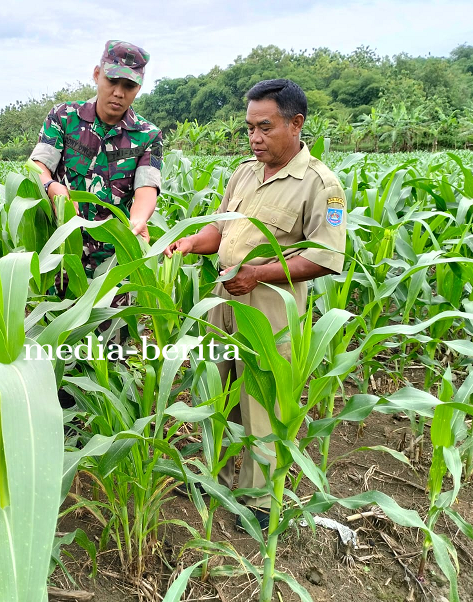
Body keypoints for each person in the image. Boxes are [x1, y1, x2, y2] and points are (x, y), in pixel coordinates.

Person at [164, 79, 347, 531]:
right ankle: (216, 475)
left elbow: (325, 258)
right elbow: (220, 232)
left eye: (264, 128)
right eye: (249, 128)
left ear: (296, 123)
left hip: (270, 309)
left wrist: (259, 274)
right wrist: (189, 243)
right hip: (222, 300)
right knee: (218, 393)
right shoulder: (244, 172)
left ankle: (262, 502)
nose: (255, 138)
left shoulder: (323, 186)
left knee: (262, 404)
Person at [29, 39, 163, 279]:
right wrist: (51, 187)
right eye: (112, 81)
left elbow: (147, 186)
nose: (119, 93)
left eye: (129, 86)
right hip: (61, 256)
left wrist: (139, 220)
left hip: (112, 265)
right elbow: (38, 166)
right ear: (97, 74)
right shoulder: (64, 117)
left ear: (138, 89)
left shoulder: (148, 135)